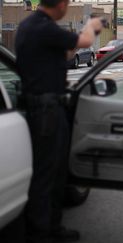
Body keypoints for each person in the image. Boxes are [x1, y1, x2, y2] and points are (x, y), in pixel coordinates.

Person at [14, 0, 103, 242]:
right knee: (47, 175)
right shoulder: (44, 26)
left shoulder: (29, 27)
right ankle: (41, 233)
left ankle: (52, 227)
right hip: (46, 110)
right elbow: (84, 42)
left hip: (43, 107)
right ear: (62, 4)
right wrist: (92, 25)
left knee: (54, 173)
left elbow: (65, 52)